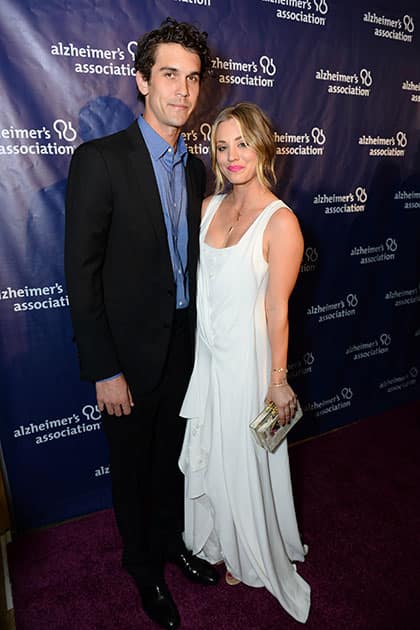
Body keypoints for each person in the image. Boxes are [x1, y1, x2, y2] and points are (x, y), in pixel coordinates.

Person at [65, 18, 218, 630]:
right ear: (142, 81)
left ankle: (173, 543)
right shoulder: (100, 161)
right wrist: (104, 368)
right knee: (131, 470)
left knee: (173, 460)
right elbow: (82, 273)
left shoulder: (194, 167)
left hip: (184, 345)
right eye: (169, 75)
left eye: (192, 78)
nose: (183, 90)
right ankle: (143, 569)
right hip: (126, 356)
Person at [179, 102, 311, 623]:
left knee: (244, 457)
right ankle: (215, 538)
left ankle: (248, 545)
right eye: (222, 146)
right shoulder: (210, 207)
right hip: (209, 358)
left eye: (242, 144)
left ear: (263, 146)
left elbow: (278, 309)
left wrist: (277, 382)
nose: (232, 157)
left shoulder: (282, 223)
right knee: (212, 447)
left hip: (250, 364)